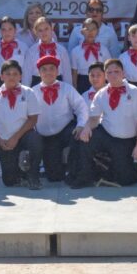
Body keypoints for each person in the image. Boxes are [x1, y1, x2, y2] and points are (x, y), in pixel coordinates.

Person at [71, 59, 137, 187]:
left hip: (126, 139)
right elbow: (94, 119)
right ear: (106, 75)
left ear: (123, 73)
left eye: (116, 71)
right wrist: (86, 128)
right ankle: (83, 177)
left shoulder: (134, 92)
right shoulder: (101, 94)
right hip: (106, 133)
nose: (113, 75)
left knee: (126, 179)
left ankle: (107, 171)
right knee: (84, 139)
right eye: (109, 72)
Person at [0, 60, 43, 189]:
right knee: (9, 181)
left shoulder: (28, 93)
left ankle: (33, 176)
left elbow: (33, 119)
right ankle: (19, 172)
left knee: (36, 139)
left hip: (22, 136)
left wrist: (15, 138)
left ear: (20, 76)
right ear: (1, 76)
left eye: (15, 74)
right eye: (8, 74)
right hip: (3, 140)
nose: (12, 77)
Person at [32, 55, 87, 184]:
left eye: (52, 69)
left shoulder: (67, 88)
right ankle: (58, 169)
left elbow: (81, 107)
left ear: (57, 71)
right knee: (54, 177)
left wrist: (81, 125)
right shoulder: (32, 92)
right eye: (44, 69)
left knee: (78, 136)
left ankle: (74, 172)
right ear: (39, 73)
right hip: (46, 136)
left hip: (65, 130)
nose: (48, 72)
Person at [24, 17, 72, 87]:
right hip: (37, 84)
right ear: (36, 32)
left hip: (58, 84)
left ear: (51, 29)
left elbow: (67, 74)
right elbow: (26, 75)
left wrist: (68, 92)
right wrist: (26, 93)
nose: (44, 33)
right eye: (40, 30)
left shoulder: (61, 50)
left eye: (46, 29)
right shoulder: (31, 51)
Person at [71, 18, 113, 93]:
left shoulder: (103, 50)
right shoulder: (75, 51)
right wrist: (75, 88)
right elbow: (74, 72)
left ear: (98, 32)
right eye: (87, 29)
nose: (90, 32)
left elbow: (109, 68)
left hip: (100, 82)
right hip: (82, 82)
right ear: (82, 32)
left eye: (93, 29)